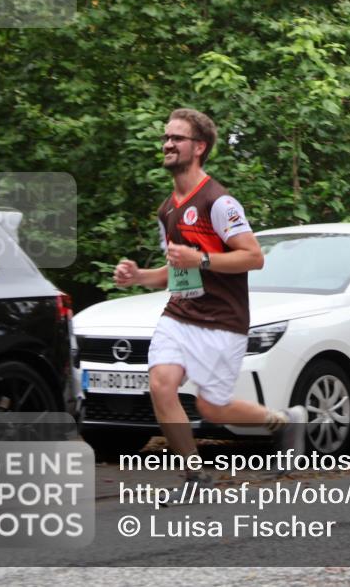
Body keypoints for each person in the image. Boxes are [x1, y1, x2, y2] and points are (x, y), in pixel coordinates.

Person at [113, 108, 305, 494]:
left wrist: (201, 258)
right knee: (161, 384)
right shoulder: (167, 210)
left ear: (198, 147)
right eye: (166, 137)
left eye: (177, 138)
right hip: (180, 314)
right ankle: (195, 474)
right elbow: (174, 273)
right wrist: (138, 277)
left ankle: (282, 420)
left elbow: (253, 256)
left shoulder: (219, 203)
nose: (167, 144)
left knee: (211, 407)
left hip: (221, 320)